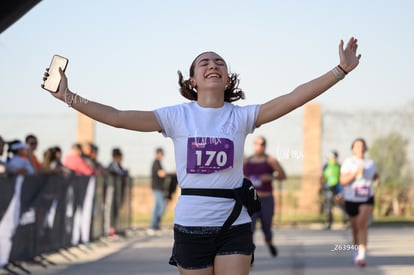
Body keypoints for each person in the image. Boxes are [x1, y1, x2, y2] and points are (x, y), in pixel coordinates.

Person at [42, 37, 361, 274]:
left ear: (227, 78)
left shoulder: (241, 117)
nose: (213, 65)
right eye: (204, 62)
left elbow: (293, 97)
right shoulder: (177, 116)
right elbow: (120, 116)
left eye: (220, 62)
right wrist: (68, 96)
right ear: (192, 80)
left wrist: (340, 71)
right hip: (190, 226)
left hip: (234, 221)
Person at [243, 136, 286, 259]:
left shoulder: (271, 160)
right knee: (249, 228)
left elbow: (283, 175)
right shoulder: (246, 161)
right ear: (253, 145)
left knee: (266, 227)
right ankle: (249, 255)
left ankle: (270, 242)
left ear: (265, 146)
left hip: (266, 200)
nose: (259, 146)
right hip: (251, 199)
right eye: (257, 143)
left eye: (262, 144)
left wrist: (271, 177)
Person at [340, 138, 379, 267]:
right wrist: (356, 173)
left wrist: (377, 179)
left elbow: (374, 175)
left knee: (362, 223)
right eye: (357, 146)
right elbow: (343, 181)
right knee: (355, 228)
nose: (360, 148)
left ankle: (362, 255)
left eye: (362, 145)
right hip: (352, 198)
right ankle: (357, 250)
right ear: (353, 149)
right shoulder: (348, 162)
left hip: (367, 197)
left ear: (365, 148)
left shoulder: (370, 163)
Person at [320, 150, 346, 229]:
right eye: (333, 157)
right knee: (329, 206)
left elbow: (342, 177)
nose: (334, 159)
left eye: (335, 157)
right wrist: (322, 185)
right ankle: (329, 223)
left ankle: (347, 220)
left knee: (341, 204)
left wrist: (342, 188)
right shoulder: (326, 166)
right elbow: (323, 177)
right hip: (328, 187)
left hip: (337, 187)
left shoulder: (339, 166)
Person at [149, 147, 168, 233]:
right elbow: (161, 174)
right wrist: (171, 174)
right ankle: (154, 225)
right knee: (161, 207)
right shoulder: (156, 163)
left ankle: (155, 225)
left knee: (157, 207)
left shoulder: (158, 162)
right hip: (157, 188)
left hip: (159, 188)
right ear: (158, 154)